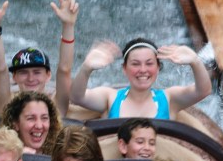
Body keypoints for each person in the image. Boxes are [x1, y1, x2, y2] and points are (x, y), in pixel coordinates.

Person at [0, 0, 79, 116]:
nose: (31, 78)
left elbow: (65, 69)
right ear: (14, 77)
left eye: (37, 72)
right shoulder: (8, 106)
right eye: (23, 72)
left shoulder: (57, 107)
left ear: (48, 75)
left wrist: (68, 25)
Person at [70, 37, 212, 120]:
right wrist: (86, 68)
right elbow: (77, 97)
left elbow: (203, 91)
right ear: (124, 68)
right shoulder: (111, 96)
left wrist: (195, 61)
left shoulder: (169, 98)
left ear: (158, 68)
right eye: (135, 64)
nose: (143, 70)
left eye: (149, 63)